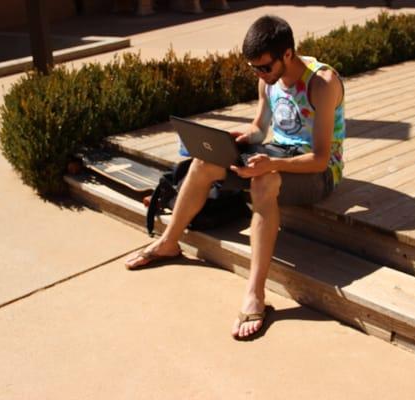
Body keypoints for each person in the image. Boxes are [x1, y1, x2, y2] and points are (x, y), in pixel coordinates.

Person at [125, 15, 345, 340]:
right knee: (204, 161)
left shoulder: (322, 83)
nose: (259, 74)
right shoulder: (267, 80)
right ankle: (169, 242)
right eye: (253, 68)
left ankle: (255, 294)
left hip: (319, 172)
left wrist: (269, 164)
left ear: (287, 54)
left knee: (263, 182)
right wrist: (241, 136)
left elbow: (321, 158)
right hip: (276, 154)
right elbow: (261, 127)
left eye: (264, 67)